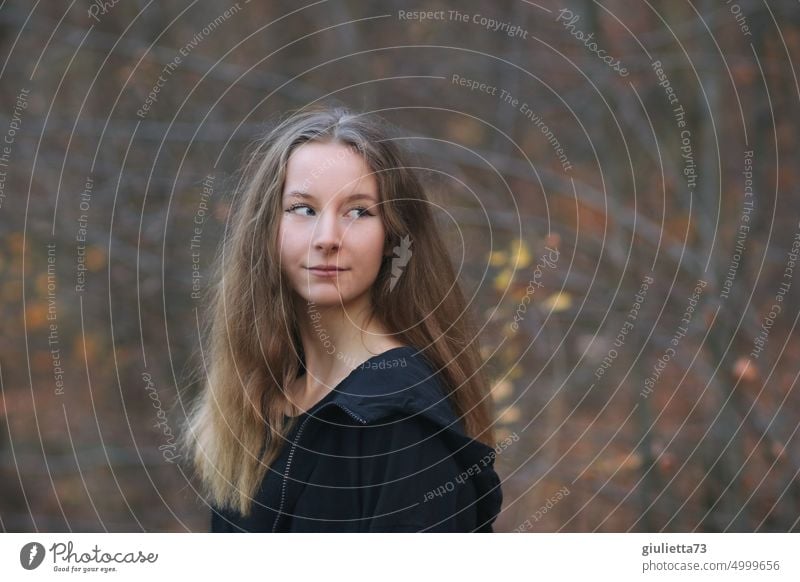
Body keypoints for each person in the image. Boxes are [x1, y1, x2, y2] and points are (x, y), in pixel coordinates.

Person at [179, 105, 503, 532]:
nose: (327, 238)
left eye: (358, 212)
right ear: (266, 231)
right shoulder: (262, 399)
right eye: (303, 209)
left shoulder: (400, 423)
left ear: (394, 237)